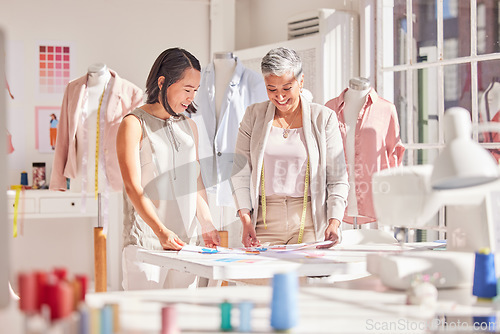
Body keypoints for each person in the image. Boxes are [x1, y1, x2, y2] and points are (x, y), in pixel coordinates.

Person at [116, 48, 220, 290]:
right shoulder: (133, 124)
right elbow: (133, 187)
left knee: (183, 320)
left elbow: (195, 182)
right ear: (162, 82)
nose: (191, 98)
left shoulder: (190, 127)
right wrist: (161, 232)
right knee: (142, 323)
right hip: (147, 242)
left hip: (185, 243)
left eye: (195, 91)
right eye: (186, 89)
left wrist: (207, 224)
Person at [231, 47, 349, 248]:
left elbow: (337, 177)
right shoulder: (253, 116)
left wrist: (334, 221)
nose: (280, 97)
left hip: (309, 221)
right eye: (272, 89)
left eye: (287, 88)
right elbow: (240, 172)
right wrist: (245, 218)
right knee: (260, 279)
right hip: (262, 223)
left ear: (300, 81)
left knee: (301, 279)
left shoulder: (324, 118)